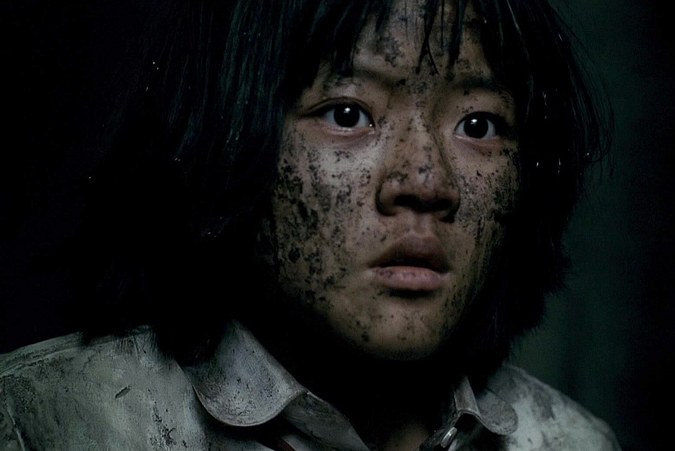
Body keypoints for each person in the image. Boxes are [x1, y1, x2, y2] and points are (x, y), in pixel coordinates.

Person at [0, 0, 618, 449]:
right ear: (227, 141)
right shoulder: (51, 421)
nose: (426, 182)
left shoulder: (568, 442)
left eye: (477, 125)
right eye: (347, 114)